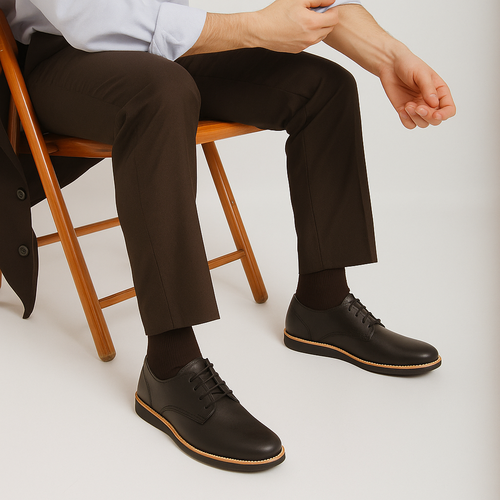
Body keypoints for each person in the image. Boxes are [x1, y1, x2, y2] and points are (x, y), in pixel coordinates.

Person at [0, 0, 455, 472]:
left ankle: (323, 305)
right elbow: (91, 19)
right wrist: (252, 27)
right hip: (62, 58)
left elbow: (322, 5)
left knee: (323, 86)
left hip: (166, 52)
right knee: (162, 91)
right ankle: (169, 366)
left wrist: (390, 56)